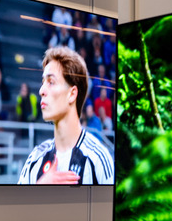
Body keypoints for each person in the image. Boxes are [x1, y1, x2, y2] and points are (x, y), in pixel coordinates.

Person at [18, 46, 114, 185]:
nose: (41, 90)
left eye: (51, 82)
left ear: (72, 94)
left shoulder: (97, 158)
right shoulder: (35, 157)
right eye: (43, 82)